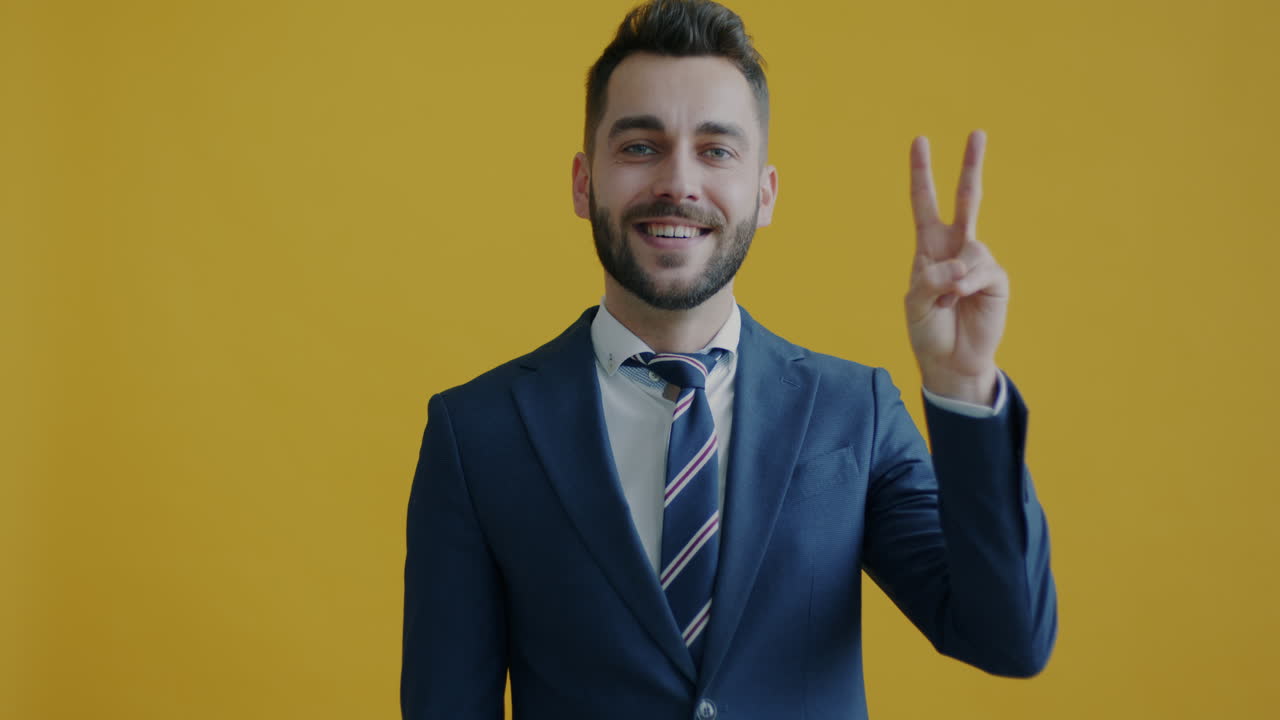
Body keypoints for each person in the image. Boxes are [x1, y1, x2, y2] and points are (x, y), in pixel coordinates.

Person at [401, 1, 1057, 717]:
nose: (679, 183)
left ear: (764, 193)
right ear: (583, 183)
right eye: (640, 146)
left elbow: (1010, 638)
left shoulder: (854, 412)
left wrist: (964, 387)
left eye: (717, 150)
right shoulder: (477, 434)